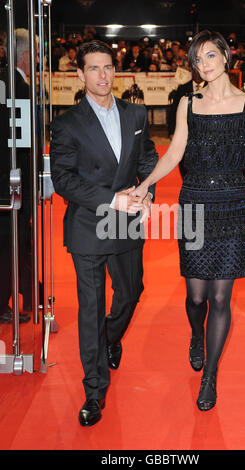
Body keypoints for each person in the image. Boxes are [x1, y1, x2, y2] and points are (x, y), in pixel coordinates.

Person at [131, 30, 245, 411]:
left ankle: (210, 375)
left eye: (210, 56)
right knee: (196, 297)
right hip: (194, 204)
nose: (204, 64)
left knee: (221, 296)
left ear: (225, 56)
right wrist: (146, 185)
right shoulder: (188, 103)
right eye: (198, 60)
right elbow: (175, 151)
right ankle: (197, 334)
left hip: (233, 205)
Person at [50, 40, 158, 427]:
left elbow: (147, 157)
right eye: (94, 69)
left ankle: (112, 338)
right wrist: (112, 200)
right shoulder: (66, 124)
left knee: (131, 293)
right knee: (90, 311)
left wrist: (147, 191)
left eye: (108, 67)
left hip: (127, 221)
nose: (103, 75)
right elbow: (62, 179)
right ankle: (94, 390)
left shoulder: (136, 114)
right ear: (79, 75)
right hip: (89, 224)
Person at [0, 28, 34, 324]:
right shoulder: (21, 89)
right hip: (15, 182)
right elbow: (27, 145)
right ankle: (5, 302)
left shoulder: (3, 82)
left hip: (7, 180)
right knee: (12, 244)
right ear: (24, 57)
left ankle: (21, 297)